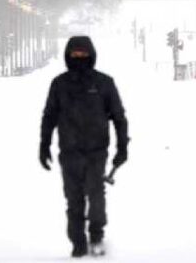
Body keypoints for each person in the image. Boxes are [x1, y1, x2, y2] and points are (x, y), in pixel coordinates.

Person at [40, 35, 129, 258]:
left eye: (83, 54)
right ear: (68, 56)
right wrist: (44, 144)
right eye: (75, 54)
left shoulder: (104, 84)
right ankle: (78, 242)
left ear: (91, 55)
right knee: (74, 200)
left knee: (96, 196)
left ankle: (96, 234)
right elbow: (49, 116)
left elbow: (119, 117)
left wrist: (122, 147)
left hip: (96, 152)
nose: (79, 58)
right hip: (69, 153)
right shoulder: (59, 84)